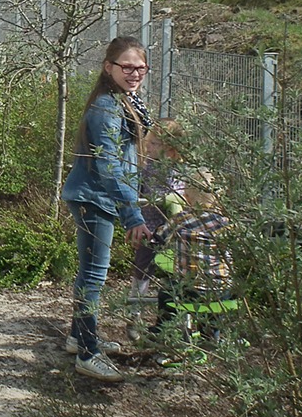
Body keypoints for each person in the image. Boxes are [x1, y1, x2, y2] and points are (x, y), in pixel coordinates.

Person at [61, 36, 153, 382]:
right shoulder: (107, 108)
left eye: (140, 68)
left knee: (91, 273)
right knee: (94, 276)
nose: (134, 74)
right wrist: (132, 214)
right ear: (108, 67)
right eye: (127, 67)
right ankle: (88, 353)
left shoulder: (126, 102)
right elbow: (109, 167)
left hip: (98, 197)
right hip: (93, 199)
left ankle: (77, 337)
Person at [150, 168, 232, 337]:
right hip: (220, 290)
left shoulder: (181, 219)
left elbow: (158, 238)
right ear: (218, 199)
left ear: (186, 198)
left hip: (189, 289)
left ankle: (165, 329)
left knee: (167, 292)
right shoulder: (225, 224)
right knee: (216, 304)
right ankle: (211, 336)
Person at [132, 119, 188, 301]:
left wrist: (165, 200)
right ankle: (135, 312)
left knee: (173, 272)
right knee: (142, 268)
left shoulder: (178, 169)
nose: (148, 147)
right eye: (148, 142)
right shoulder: (147, 166)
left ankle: (169, 316)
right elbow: (138, 188)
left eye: (154, 144)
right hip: (149, 227)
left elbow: (178, 196)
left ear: (171, 149)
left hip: (172, 230)